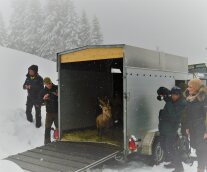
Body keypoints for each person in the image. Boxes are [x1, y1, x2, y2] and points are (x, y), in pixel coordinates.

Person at [158, 86, 186, 172]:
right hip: (164, 128)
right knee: (163, 145)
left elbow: (173, 115)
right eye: (172, 94)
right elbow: (161, 90)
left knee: (170, 148)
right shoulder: (172, 100)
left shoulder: (182, 103)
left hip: (171, 129)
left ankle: (179, 167)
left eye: (176, 94)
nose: (173, 96)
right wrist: (163, 94)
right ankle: (174, 162)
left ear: (179, 95)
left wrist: (168, 101)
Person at [185, 79, 207, 172]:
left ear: (196, 88)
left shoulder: (204, 99)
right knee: (198, 149)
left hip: (202, 129)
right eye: (188, 86)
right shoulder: (191, 98)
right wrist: (187, 126)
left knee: (202, 150)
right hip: (194, 128)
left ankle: (200, 170)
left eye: (190, 87)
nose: (188, 88)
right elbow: (189, 114)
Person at [40, 77, 58, 145]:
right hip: (49, 113)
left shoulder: (57, 88)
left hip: (57, 112)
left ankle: (60, 141)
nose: (49, 85)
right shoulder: (43, 91)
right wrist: (44, 99)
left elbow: (64, 97)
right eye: (47, 84)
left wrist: (59, 95)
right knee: (47, 128)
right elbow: (40, 103)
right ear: (44, 84)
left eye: (49, 83)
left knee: (59, 127)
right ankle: (47, 144)